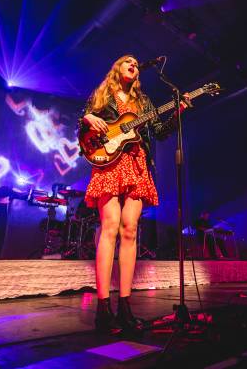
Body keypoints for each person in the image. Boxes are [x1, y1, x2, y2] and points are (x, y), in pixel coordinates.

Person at [78, 55, 186, 335]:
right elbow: (84, 127)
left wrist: (179, 111)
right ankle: (103, 309)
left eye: (137, 64)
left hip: (137, 163)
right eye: (128, 61)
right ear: (117, 67)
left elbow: (160, 132)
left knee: (130, 231)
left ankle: (125, 306)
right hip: (110, 161)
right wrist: (88, 117)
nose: (134, 64)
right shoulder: (102, 94)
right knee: (109, 227)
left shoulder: (145, 102)